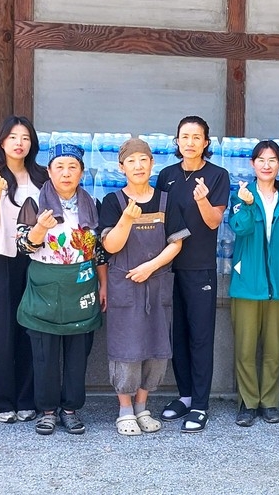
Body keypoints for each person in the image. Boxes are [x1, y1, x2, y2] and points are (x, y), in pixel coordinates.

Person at [100, 138, 190, 436]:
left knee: (155, 346)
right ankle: (125, 409)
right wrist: (126, 218)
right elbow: (110, 246)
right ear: (121, 167)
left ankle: (142, 405)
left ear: (152, 164)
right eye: (131, 161)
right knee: (126, 346)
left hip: (157, 283)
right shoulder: (113, 201)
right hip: (125, 286)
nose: (138, 166)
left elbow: (176, 243)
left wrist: (150, 267)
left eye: (143, 160)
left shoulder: (166, 200)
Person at [15, 144, 107, 435]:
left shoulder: (92, 203)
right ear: (49, 171)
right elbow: (22, 246)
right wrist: (40, 229)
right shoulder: (34, 202)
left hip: (82, 286)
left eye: (72, 167)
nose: (66, 173)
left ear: (81, 172)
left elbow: (99, 251)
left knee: (78, 353)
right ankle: (47, 411)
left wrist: (104, 284)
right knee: (44, 354)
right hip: (45, 288)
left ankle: (71, 409)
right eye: (60, 167)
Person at [157, 116, 230, 433]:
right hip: (168, 266)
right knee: (177, 336)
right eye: (184, 136)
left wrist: (202, 200)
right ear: (177, 141)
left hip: (200, 267)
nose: (190, 142)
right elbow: (158, 219)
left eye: (196, 137)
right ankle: (184, 396)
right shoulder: (167, 176)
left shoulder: (217, 175)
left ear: (206, 143)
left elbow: (214, 221)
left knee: (200, 337)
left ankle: (200, 404)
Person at [0, 116, 48, 424]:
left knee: (31, 329)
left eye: (26, 138)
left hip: (36, 259)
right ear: (2, 141)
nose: (19, 143)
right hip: (0, 257)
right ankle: (0, 401)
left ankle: (27, 398)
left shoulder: (42, 176)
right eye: (13, 137)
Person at [229, 140, 279, 427]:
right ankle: (248, 403)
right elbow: (240, 228)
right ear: (252, 164)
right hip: (248, 281)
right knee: (245, 348)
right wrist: (248, 205)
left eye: (272, 160)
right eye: (261, 159)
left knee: (274, 347)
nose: (266, 165)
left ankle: (270, 402)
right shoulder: (241, 195)